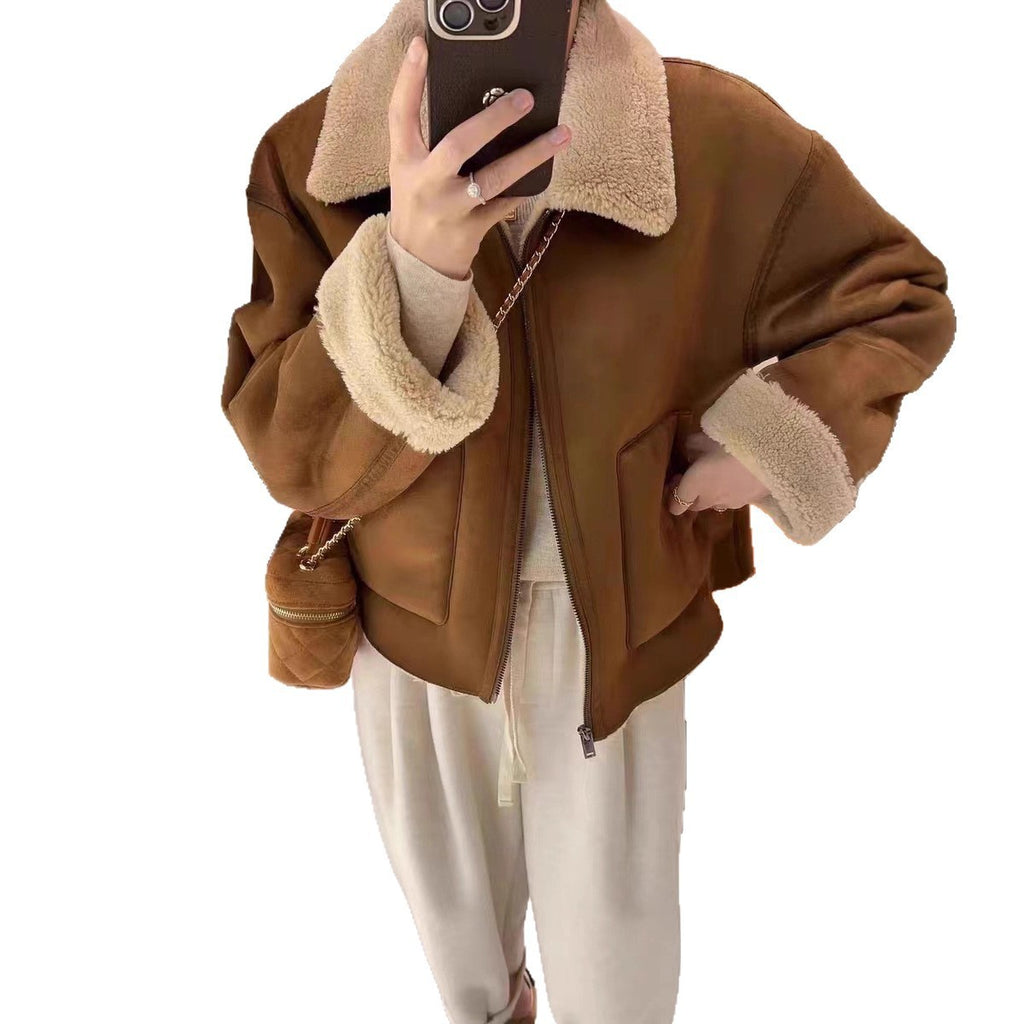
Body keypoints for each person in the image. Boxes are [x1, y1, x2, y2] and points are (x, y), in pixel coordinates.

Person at [221, 1, 957, 1021]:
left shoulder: (708, 137)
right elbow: (286, 446)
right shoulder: (314, 154)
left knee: (618, 980)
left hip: (613, 633)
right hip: (412, 631)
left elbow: (898, 297)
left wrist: (767, 440)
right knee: (464, 972)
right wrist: (413, 272)